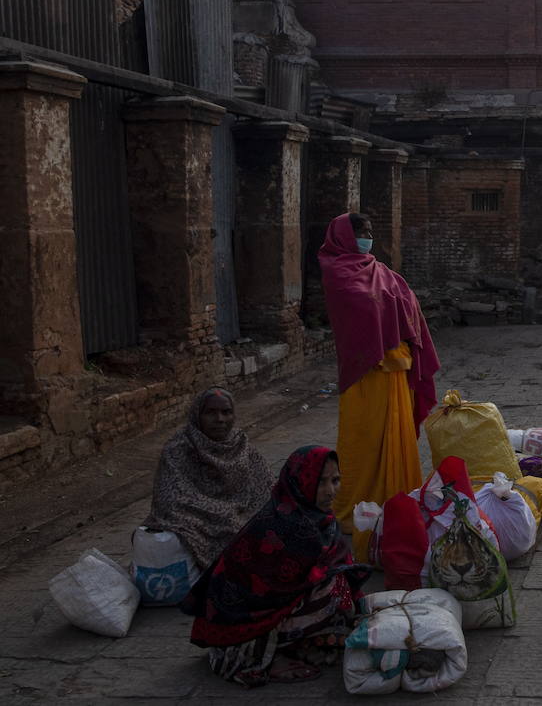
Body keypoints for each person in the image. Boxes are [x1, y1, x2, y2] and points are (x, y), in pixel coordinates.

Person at [184, 445, 368, 687]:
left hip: (273, 608)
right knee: (334, 590)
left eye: (335, 481)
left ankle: (298, 640)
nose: (330, 491)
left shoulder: (317, 519)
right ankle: (271, 654)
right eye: (320, 482)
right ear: (298, 482)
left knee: (338, 586)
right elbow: (264, 595)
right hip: (240, 627)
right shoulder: (285, 526)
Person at [318, 212, 440, 557]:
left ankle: (397, 503)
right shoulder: (337, 271)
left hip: (396, 370)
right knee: (363, 439)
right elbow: (361, 311)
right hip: (365, 374)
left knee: (396, 436)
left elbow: (406, 303)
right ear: (344, 236)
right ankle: (353, 508)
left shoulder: (381, 271)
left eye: (371, 230)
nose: (368, 237)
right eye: (362, 232)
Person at [142, 387, 272, 573]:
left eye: (226, 412)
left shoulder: (241, 446)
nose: (220, 419)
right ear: (197, 415)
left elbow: (266, 488)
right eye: (210, 412)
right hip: (194, 520)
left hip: (241, 514)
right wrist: (220, 513)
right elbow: (169, 500)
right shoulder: (178, 449)